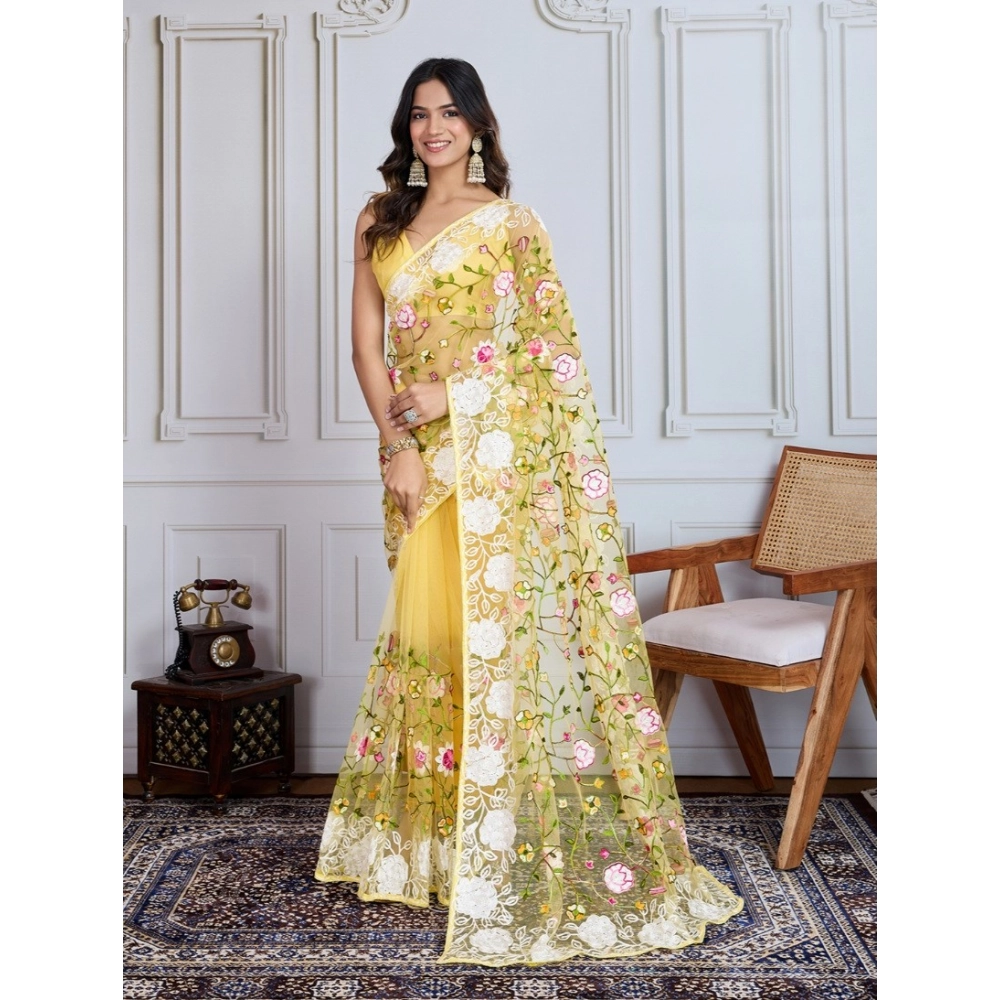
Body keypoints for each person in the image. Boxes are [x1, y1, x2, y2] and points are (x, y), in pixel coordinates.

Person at [315, 57, 743, 966]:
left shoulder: (512, 225)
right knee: (431, 647)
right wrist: (397, 447)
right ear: (406, 128)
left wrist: (450, 397)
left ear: (477, 125)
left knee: (493, 648)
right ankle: (433, 851)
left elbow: (552, 362)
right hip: (421, 468)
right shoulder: (377, 219)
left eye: (450, 112)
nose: (434, 128)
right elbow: (364, 346)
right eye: (419, 114)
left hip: (495, 469)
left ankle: (500, 843)